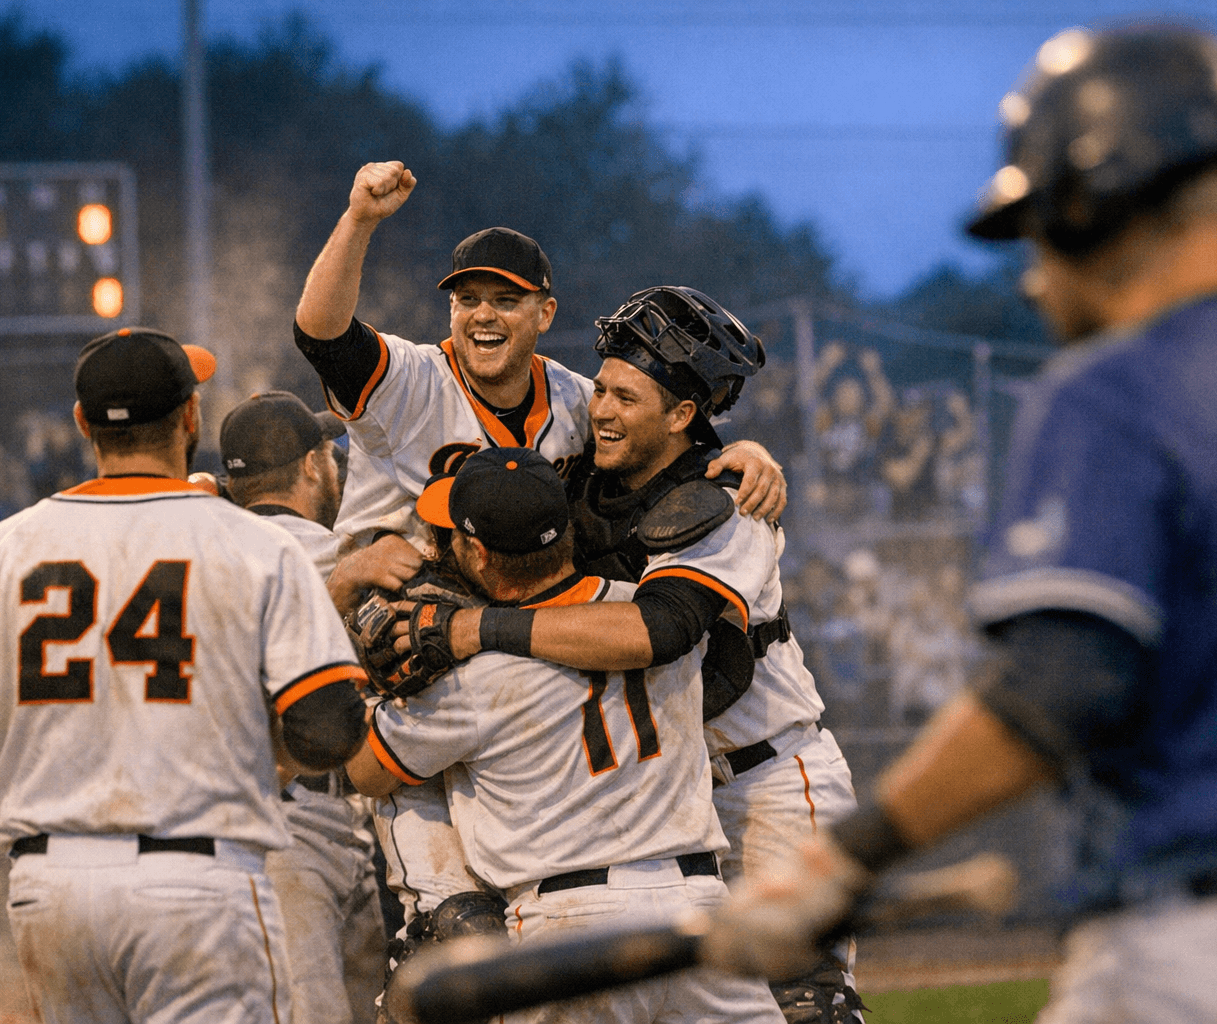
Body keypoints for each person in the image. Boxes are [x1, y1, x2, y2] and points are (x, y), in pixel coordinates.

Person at [701, 24, 1217, 1024]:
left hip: (1213, 946)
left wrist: (838, 861)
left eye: (1038, 228)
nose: (1033, 273)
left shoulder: (1118, 385)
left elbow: (1061, 684)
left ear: (1092, 201)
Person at [293, 161, 790, 969]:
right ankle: (439, 914)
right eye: (467, 299)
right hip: (401, 613)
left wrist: (739, 452)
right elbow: (322, 336)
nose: (483, 314)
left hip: (502, 632)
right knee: (456, 907)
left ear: (544, 312)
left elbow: (657, 447)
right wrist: (358, 221)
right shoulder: (416, 379)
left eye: (506, 298)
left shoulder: (575, 399)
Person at [0, 327, 370, 1023]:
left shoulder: (1, 548)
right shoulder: (258, 548)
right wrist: (265, 761)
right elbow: (330, 726)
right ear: (191, 417)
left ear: (82, 423)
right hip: (198, 883)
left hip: (52, 889)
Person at [424, 286, 862, 1022]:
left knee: (805, 1001)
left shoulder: (728, 503)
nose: (600, 408)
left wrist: (480, 630)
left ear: (683, 414)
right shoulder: (585, 480)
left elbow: (660, 633)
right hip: (673, 802)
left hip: (767, 779)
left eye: (626, 397)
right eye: (601, 388)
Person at [349, 446, 786, 1024]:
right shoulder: (646, 611)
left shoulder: (472, 675)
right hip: (696, 912)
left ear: (479, 553)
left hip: (566, 932)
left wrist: (366, 685)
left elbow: (367, 772)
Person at [218, 389, 387, 1024]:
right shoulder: (334, 553)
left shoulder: (197, 551)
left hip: (257, 817)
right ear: (314, 466)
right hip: (295, 825)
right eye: (330, 455)